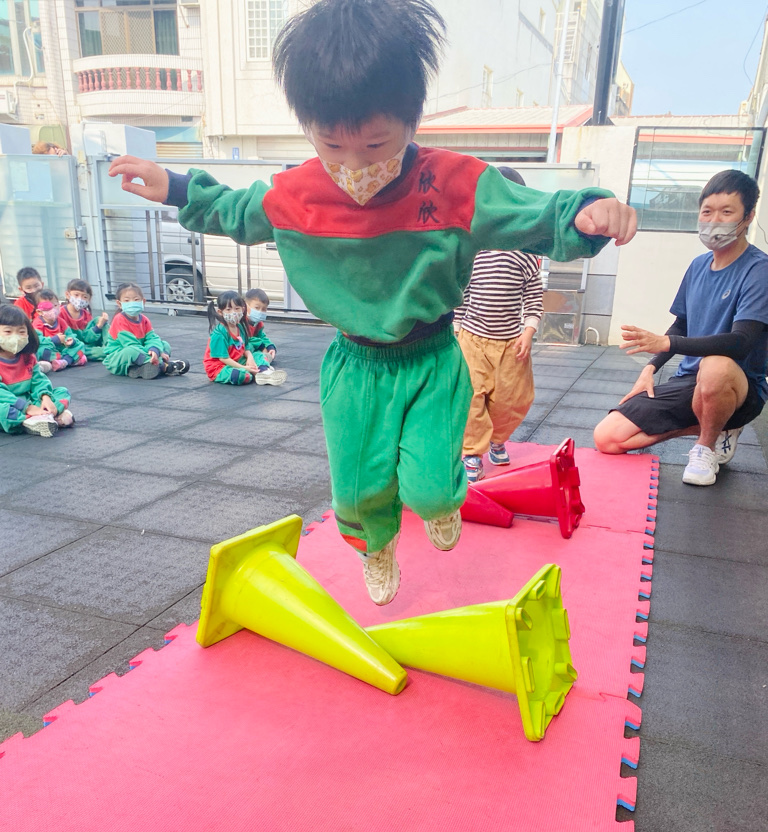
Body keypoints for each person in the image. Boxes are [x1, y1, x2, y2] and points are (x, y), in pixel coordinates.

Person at [109, 0, 636, 605]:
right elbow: (236, 208)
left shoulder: (454, 182)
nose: (355, 166)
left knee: (432, 489)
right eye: (332, 144)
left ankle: (442, 503)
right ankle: (377, 546)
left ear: (412, 121)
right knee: (358, 491)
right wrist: (177, 188)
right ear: (309, 128)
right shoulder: (300, 192)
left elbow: (531, 211)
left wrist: (587, 213)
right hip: (355, 364)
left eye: (376, 143)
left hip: (431, 355)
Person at [594, 170, 768, 486]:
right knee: (607, 438)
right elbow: (682, 325)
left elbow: (742, 341)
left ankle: (705, 447)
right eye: (707, 211)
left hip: (738, 387)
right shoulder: (698, 266)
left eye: (727, 212)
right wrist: (650, 367)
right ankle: (718, 425)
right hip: (690, 380)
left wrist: (666, 344)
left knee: (715, 366)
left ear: (748, 217)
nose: (714, 220)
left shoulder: (759, 270)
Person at [455, 167, 542, 482]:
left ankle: (497, 438)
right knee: (470, 396)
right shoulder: (472, 250)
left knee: (514, 398)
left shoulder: (526, 253)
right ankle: (471, 453)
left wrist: (528, 331)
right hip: (473, 338)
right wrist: (456, 328)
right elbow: (461, 293)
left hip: (510, 342)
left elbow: (533, 297)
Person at [0, 303, 75, 437]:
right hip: (9, 403)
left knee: (62, 392)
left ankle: (43, 417)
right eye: (8, 332)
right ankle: (29, 420)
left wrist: (45, 397)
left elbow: (38, 380)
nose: (15, 337)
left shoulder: (28, 357)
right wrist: (26, 408)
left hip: (28, 400)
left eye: (21, 332)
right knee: (3, 410)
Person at [104, 283, 190, 379]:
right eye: (127, 300)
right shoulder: (119, 320)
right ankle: (164, 366)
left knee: (164, 344)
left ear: (143, 301)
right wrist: (156, 355)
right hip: (118, 360)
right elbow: (131, 344)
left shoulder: (144, 320)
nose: (132, 303)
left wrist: (155, 350)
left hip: (141, 354)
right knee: (131, 351)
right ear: (119, 304)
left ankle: (139, 368)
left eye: (136, 299)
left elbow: (152, 337)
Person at [204, 291, 288, 385]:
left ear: (243, 309)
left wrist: (250, 357)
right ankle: (257, 372)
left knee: (258, 355)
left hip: (238, 359)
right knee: (241, 375)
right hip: (219, 367)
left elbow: (245, 346)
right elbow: (223, 359)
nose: (234, 313)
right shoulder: (219, 334)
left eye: (237, 309)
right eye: (228, 309)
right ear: (220, 312)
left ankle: (263, 371)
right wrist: (244, 368)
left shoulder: (240, 327)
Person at [32, 289, 88, 370]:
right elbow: (37, 340)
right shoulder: (37, 323)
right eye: (47, 307)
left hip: (62, 348)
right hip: (50, 348)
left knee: (80, 344)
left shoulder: (61, 321)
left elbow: (69, 334)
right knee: (41, 350)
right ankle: (70, 360)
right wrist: (53, 340)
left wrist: (71, 340)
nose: (53, 309)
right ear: (39, 312)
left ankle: (64, 361)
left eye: (55, 305)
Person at [58, 278, 109, 362]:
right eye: (76, 295)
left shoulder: (86, 314)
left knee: (99, 320)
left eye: (84, 297)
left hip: (86, 344)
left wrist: (99, 326)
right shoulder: (60, 313)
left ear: (89, 299)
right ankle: (109, 352)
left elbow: (87, 338)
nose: (80, 299)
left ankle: (110, 345)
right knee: (102, 352)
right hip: (71, 347)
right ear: (67, 295)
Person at [244, 288, 277, 365]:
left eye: (264, 309)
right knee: (250, 347)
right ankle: (262, 364)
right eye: (257, 308)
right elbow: (245, 339)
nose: (260, 312)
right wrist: (261, 346)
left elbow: (261, 336)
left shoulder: (257, 323)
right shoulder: (241, 322)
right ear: (245, 305)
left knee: (259, 351)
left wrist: (270, 346)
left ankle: (262, 358)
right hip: (240, 349)